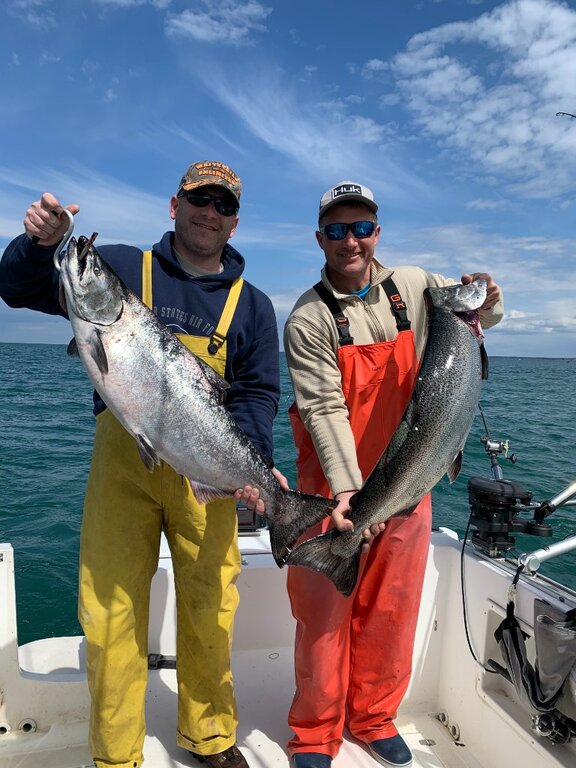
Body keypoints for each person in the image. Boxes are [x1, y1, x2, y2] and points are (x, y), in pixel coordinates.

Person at [0, 161, 286, 768]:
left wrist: (255, 465)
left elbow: (257, 394)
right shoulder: (125, 268)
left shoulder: (254, 307)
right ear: (173, 205)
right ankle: (116, 754)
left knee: (210, 610)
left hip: (206, 470)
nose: (208, 212)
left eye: (222, 204)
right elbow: (17, 289)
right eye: (197, 199)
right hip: (122, 469)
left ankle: (211, 737)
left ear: (235, 222)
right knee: (110, 614)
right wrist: (39, 245)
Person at [282, 180, 504, 768]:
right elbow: (324, 408)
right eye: (336, 229)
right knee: (324, 617)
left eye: (360, 228)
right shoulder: (307, 318)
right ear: (320, 238)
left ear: (376, 232)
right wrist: (350, 496)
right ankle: (314, 733)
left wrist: (487, 300)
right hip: (332, 486)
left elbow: (483, 316)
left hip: (414, 473)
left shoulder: (416, 286)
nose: (349, 240)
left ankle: (374, 717)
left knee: (392, 609)